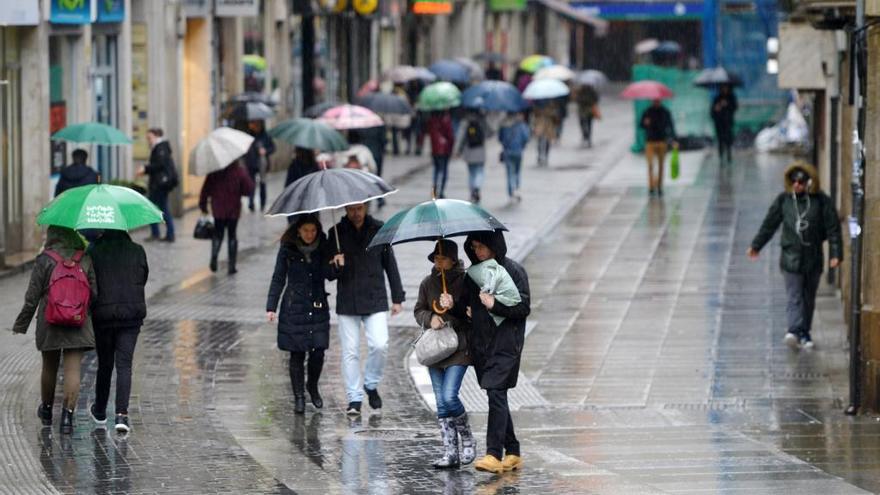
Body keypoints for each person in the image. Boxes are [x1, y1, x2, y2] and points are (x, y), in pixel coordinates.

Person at [440, 231, 530, 475]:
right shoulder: (474, 275)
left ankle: (493, 454)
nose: (478, 252)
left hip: (506, 345)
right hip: (482, 346)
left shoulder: (513, 271)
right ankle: (512, 451)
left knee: (496, 392)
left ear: (493, 246)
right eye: (474, 247)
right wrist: (454, 306)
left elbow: (523, 307)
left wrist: (495, 305)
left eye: (482, 247)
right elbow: (467, 308)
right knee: (496, 394)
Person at [747, 162, 842, 349]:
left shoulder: (821, 201)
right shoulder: (784, 201)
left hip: (813, 257)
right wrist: (756, 245)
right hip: (791, 258)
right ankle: (794, 329)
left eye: (800, 181)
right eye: (793, 181)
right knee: (794, 295)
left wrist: (835, 253)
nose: (797, 185)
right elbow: (770, 224)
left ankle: (805, 332)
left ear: (808, 182)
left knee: (808, 297)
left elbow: (833, 229)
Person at [12, 226, 97, 434]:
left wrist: (21, 324)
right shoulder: (84, 258)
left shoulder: (44, 259)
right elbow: (94, 293)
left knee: (49, 367)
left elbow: (32, 298)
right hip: (78, 322)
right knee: (73, 370)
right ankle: (67, 418)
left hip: (50, 323)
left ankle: (47, 410)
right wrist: (82, 311)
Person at [333, 203, 405, 415]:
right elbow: (327, 272)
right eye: (352, 209)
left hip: (375, 297)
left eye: (360, 208)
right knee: (350, 351)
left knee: (380, 344)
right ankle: (354, 398)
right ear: (345, 209)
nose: (356, 213)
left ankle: (371, 384)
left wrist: (397, 297)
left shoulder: (380, 229)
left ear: (366, 208)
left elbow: (389, 263)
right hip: (348, 300)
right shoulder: (336, 233)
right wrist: (335, 265)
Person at [266, 215, 342, 414]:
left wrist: (337, 264)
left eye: (313, 231)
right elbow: (278, 277)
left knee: (318, 352)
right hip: (294, 307)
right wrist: (271, 307)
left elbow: (330, 275)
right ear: (298, 230)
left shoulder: (324, 246)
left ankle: (312, 386)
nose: (310, 235)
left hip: (317, 306)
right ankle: (299, 396)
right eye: (306, 230)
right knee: (297, 353)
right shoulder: (287, 248)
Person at [413, 240, 476, 469]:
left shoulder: (465, 282)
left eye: (443, 258)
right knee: (440, 404)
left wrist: (453, 306)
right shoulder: (427, 283)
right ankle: (450, 452)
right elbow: (419, 309)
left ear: (452, 259)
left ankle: (467, 438)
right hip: (435, 349)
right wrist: (430, 318)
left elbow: (471, 313)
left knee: (450, 396)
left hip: (458, 346)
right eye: (435, 258)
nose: (438, 262)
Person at [87, 230, 148, 434]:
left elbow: (90, 283)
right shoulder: (138, 250)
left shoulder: (94, 251)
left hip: (103, 315)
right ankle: (121, 415)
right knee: (124, 365)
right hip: (131, 316)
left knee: (105, 364)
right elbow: (143, 276)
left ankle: (101, 410)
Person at [199, 160, 255, 274]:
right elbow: (248, 189)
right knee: (232, 235)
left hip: (218, 208)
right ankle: (231, 266)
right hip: (233, 209)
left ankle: (214, 256)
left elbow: (205, 189)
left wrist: (203, 204)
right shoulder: (239, 171)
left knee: (218, 234)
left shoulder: (214, 172)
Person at [141, 128, 178, 242]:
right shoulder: (160, 147)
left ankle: (161, 234)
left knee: (154, 209)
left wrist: (145, 168)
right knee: (160, 209)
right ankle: (166, 234)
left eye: (149, 138)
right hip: (160, 184)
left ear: (156, 136)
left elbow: (159, 165)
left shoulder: (160, 148)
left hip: (159, 185)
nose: (148, 140)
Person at [639, 99, 677, 196]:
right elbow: (641, 125)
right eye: (654, 100)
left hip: (661, 141)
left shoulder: (665, 112)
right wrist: (645, 123)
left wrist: (674, 139)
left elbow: (671, 126)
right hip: (650, 142)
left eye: (658, 100)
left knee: (661, 165)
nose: (656, 102)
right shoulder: (647, 112)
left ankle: (659, 186)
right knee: (650, 165)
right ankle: (651, 187)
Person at [454, 110, 491, 203]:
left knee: (471, 173)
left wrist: (457, 150)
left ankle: (472, 192)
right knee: (480, 171)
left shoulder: (465, 121)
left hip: (469, 151)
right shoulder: (482, 120)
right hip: (480, 151)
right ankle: (477, 187)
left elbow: (460, 137)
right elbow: (489, 133)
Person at [244, 120, 276, 212]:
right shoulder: (249, 135)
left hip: (262, 163)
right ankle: (251, 203)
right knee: (251, 184)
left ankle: (262, 203)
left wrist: (265, 151)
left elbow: (273, 148)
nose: (255, 126)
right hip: (251, 162)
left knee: (262, 183)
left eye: (257, 124)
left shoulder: (266, 136)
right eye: (254, 124)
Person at [498, 112, 530, 202]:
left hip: (507, 151)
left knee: (510, 172)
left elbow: (500, 138)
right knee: (517, 171)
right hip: (518, 151)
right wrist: (522, 145)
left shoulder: (504, 124)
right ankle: (516, 188)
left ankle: (511, 191)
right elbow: (526, 137)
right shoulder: (521, 125)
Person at [427, 111, 455, 198]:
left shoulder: (432, 120)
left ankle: (434, 190)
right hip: (445, 150)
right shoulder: (446, 120)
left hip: (435, 149)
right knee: (443, 170)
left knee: (436, 170)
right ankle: (441, 190)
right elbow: (450, 136)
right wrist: (451, 147)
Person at [711, 84, 738, 164]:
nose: (724, 89)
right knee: (720, 139)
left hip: (728, 122)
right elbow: (712, 111)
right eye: (723, 88)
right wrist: (717, 108)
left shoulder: (731, 97)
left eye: (726, 87)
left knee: (728, 139)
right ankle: (721, 155)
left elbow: (734, 107)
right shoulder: (717, 98)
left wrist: (727, 105)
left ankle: (729, 155)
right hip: (719, 123)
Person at [532, 101, 559, 168]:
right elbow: (535, 114)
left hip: (547, 126)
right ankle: (541, 156)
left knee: (545, 142)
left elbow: (555, 116)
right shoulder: (538, 103)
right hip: (541, 125)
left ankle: (543, 156)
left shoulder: (551, 104)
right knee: (541, 141)